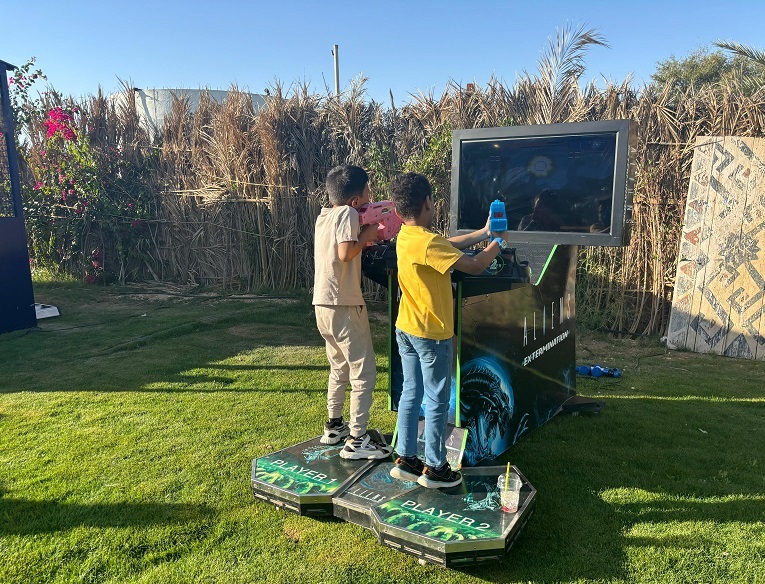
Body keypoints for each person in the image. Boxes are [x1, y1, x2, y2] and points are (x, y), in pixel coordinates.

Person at [388, 172, 508, 488]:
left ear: (398, 211)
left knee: (411, 392)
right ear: (429, 202)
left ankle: (406, 458)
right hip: (431, 334)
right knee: (437, 399)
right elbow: (475, 266)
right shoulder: (428, 242)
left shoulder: (406, 235)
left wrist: (483, 232)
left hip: (406, 329)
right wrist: (499, 242)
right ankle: (436, 467)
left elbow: (447, 246)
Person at [313, 164, 392, 460]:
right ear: (356, 200)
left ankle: (334, 426)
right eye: (368, 191)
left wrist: (365, 236)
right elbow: (345, 252)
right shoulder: (348, 213)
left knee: (339, 367)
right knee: (363, 371)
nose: (370, 196)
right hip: (345, 303)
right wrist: (370, 232)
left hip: (322, 303)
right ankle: (358, 439)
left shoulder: (324, 217)